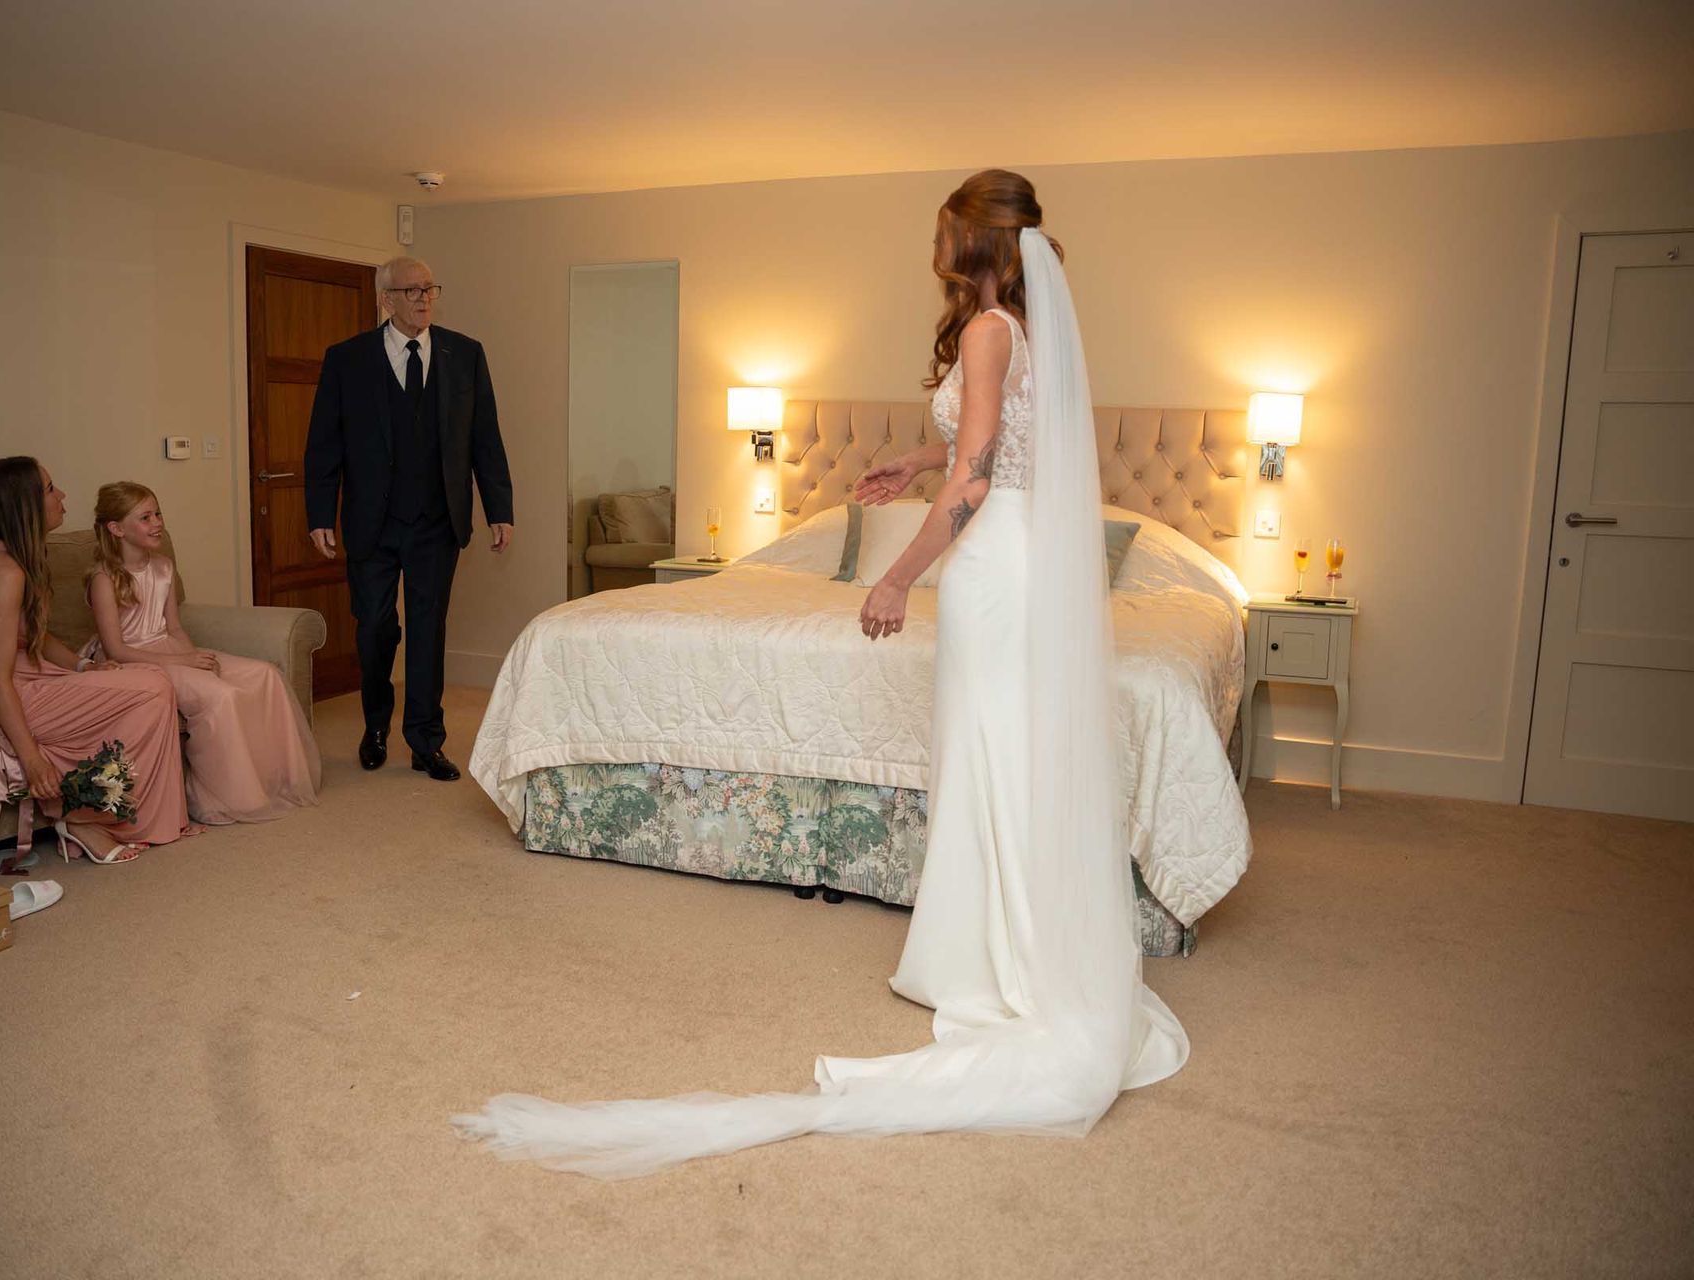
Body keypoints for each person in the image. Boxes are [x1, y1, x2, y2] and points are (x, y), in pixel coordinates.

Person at [453, 171, 1188, 1177]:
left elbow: (978, 479)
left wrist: (894, 574)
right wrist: (911, 463)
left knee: (986, 747)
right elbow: (992, 450)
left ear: (977, 238)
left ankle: (997, 960)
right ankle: (1000, 946)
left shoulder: (987, 332)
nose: (935, 242)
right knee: (996, 750)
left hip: (990, 567)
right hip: (1018, 562)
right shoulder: (1016, 329)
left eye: (946, 228)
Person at [303, 256, 515, 781]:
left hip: (437, 521)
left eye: (430, 289)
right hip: (372, 522)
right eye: (413, 291)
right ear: (386, 299)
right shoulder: (347, 359)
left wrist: (499, 509)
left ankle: (426, 741)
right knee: (375, 627)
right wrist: (319, 513)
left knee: (427, 629)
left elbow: (485, 437)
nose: (424, 299)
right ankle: (375, 726)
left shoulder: (465, 354)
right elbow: (324, 444)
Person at [0, 457, 191, 864]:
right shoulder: (4, 572)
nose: (62, 496)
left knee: (139, 679)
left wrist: (84, 667)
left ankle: (106, 812)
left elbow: (33, 636)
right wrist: (32, 760)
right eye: (51, 489)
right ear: (24, 504)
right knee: (154, 686)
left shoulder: (8, 558)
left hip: (19, 675)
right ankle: (89, 818)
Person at [84, 482, 322, 824]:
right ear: (116, 528)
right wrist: (184, 663)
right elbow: (116, 650)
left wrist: (195, 660)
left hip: (170, 649)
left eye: (158, 513)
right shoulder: (104, 578)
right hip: (133, 662)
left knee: (266, 674)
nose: (157, 523)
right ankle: (227, 799)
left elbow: (175, 628)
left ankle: (279, 780)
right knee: (220, 695)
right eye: (145, 517)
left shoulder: (163, 566)